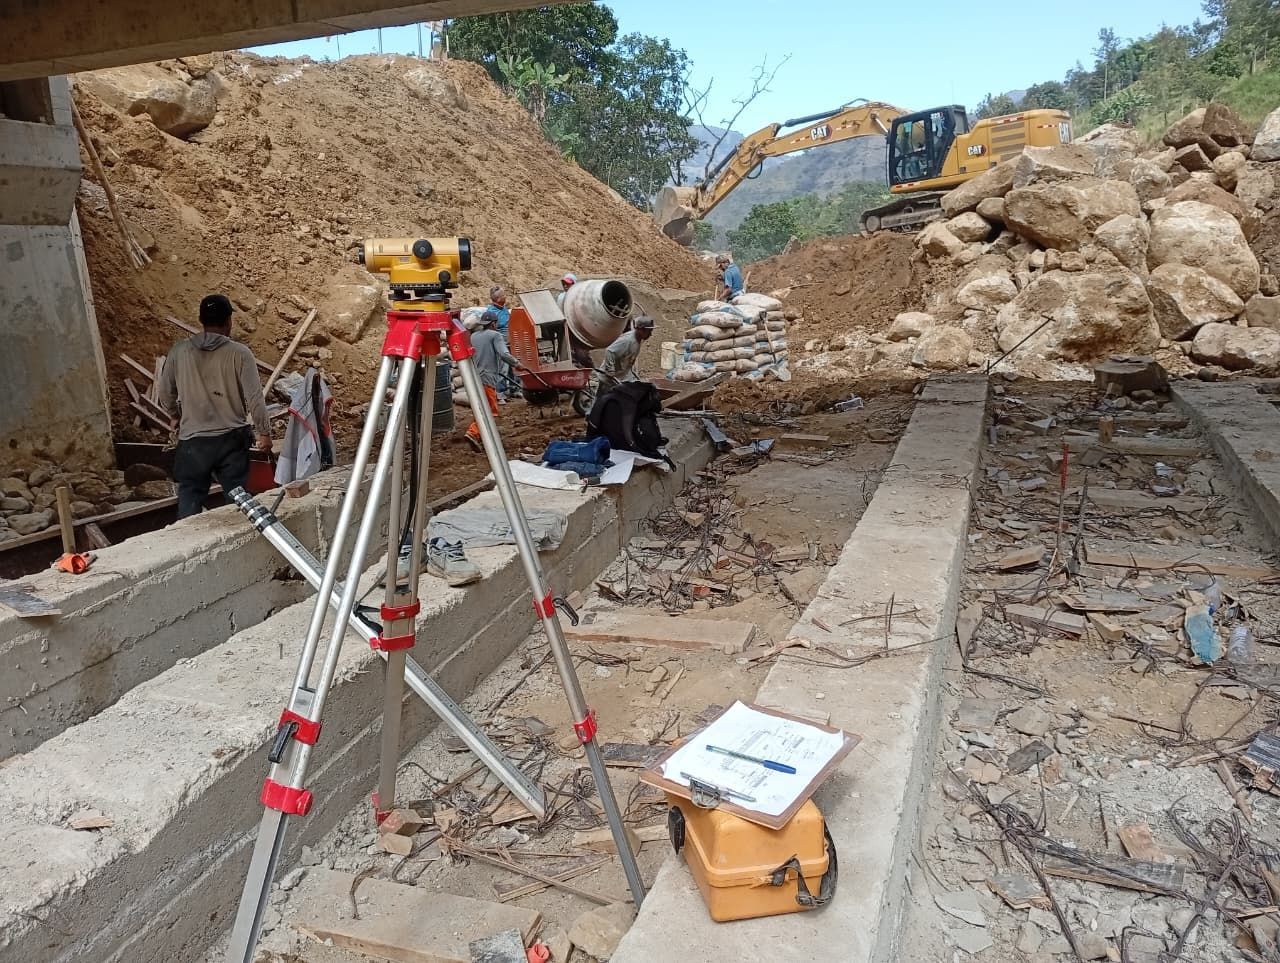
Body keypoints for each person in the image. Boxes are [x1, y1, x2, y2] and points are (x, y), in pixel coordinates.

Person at [158, 293, 271, 519]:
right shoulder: (240, 353)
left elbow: (165, 393)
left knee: (189, 498)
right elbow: (255, 399)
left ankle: (187, 546)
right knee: (237, 501)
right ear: (229, 321)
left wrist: (174, 414)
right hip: (231, 440)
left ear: (201, 320)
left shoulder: (179, 352)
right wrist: (264, 433)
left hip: (192, 443)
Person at [466, 308, 523, 452]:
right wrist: (516, 364)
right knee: (490, 410)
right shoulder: (495, 335)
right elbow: (504, 354)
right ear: (493, 323)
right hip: (487, 378)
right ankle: (473, 432)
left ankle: (484, 438)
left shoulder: (473, 336)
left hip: (474, 377)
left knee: (481, 407)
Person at [597, 315, 655, 392]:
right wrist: (610, 371)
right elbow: (610, 351)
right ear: (641, 330)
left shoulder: (638, 340)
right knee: (604, 401)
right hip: (608, 381)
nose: (650, 334)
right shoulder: (627, 340)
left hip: (619, 378)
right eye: (649, 332)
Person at [487, 285, 513, 400]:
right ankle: (500, 393)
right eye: (503, 295)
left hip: (510, 343)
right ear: (498, 299)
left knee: (514, 366)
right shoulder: (492, 312)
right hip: (501, 345)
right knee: (503, 369)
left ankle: (514, 389)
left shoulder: (503, 308)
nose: (505, 297)